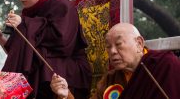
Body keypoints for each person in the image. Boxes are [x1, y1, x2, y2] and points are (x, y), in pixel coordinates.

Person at [0, 0, 92, 99]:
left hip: (71, 69)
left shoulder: (61, 6)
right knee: (33, 63)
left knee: (36, 63)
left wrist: (26, 24)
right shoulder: (29, 15)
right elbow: (20, 55)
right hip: (47, 68)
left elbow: (63, 43)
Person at [50, 23, 180, 99]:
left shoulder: (166, 65)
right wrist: (66, 95)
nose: (112, 51)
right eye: (108, 47)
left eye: (118, 44)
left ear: (139, 43)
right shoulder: (109, 81)